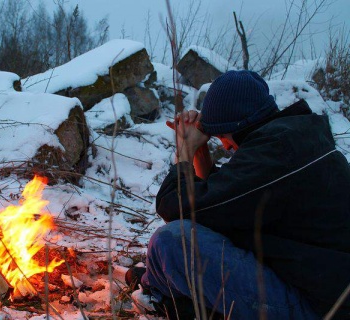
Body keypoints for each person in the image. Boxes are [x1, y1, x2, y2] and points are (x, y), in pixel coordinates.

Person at [126, 70, 350, 319]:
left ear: (239, 126)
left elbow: (174, 207)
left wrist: (186, 150)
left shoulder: (276, 155)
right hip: (323, 293)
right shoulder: (295, 141)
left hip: (317, 308)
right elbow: (226, 207)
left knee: (171, 240)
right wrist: (201, 152)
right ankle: (164, 284)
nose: (224, 145)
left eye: (222, 135)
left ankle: (155, 294)